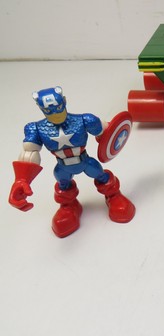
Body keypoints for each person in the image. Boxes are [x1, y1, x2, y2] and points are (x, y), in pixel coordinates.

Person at [9, 87, 135, 238]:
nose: (55, 113)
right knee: (63, 185)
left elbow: (109, 131)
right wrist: (21, 180)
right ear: (41, 109)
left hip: (85, 161)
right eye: (49, 111)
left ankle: (113, 195)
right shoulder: (37, 129)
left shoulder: (84, 120)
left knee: (101, 175)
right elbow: (29, 152)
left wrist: (110, 137)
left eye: (58, 108)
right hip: (62, 167)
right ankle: (68, 206)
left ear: (64, 101)